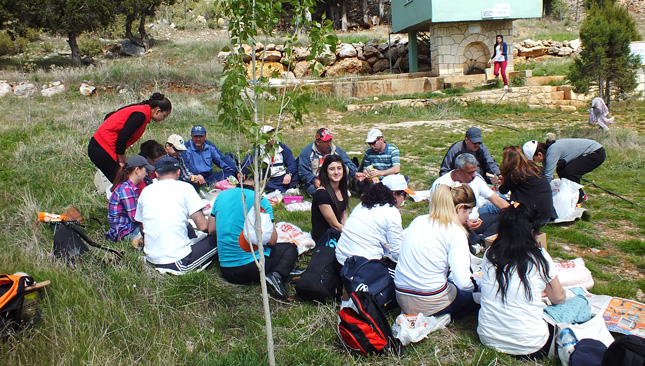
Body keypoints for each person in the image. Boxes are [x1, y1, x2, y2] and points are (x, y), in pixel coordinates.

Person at [477, 202, 566, 359]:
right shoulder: (539, 257)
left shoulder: (490, 254)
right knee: (579, 303)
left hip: (488, 338)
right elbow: (558, 298)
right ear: (532, 232)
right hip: (531, 346)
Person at [209, 166, 298, 300]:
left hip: (226, 269)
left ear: (242, 177)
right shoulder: (260, 200)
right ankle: (276, 276)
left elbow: (211, 229)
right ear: (263, 180)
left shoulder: (221, 195)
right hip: (251, 268)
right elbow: (272, 240)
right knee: (290, 248)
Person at [394, 184, 479, 321]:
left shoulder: (418, 221)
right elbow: (463, 283)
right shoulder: (455, 232)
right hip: (429, 299)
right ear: (460, 208)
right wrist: (481, 285)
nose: (468, 219)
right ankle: (441, 317)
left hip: (401, 295)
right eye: (468, 213)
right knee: (471, 297)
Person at [135, 156, 217, 275]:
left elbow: (142, 226)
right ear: (178, 172)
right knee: (220, 236)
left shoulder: (145, 191)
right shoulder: (185, 188)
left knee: (187, 225)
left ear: (157, 174)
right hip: (178, 263)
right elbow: (203, 226)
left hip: (151, 259)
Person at [88, 92, 172, 182]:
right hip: (102, 148)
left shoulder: (141, 110)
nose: (163, 119)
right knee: (122, 183)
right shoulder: (141, 115)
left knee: (122, 180)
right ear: (157, 111)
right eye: (164, 116)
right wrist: (121, 160)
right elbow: (122, 138)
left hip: (104, 148)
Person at [335, 174, 412, 266]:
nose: (404, 199)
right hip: (362, 267)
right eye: (404, 194)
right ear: (394, 194)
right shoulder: (392, 213)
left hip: (340, 259)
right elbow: (397, 253)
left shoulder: (363, 204)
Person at [432, 153, 509, 244]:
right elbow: (440, 216)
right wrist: (464, 223)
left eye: (475, 171)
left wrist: (513, 212)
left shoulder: (476, 180)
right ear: (458, 171)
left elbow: (495, 199)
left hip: (476, 219)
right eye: (470, 173)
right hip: (455, 225)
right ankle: (477, 241)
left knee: (505, 218)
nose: (474, 175)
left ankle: (481, 241)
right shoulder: (442, 185)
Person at [523, 138, 605, 203]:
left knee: (570, 172)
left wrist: (538, 194)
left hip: (595, 152)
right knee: (561, 170)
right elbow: (545, 172)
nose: (535, 162)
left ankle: (579, 197)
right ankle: (578, 194)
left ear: (539, 154)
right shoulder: (547, 154)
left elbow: (548, 176)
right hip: (588, 151)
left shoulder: (552, 152)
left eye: (534, 159)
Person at [298, 128, 365, 196]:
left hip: (334, 180)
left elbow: (348, 162)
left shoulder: (335, 149)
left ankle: (337, 189)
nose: (329, 144)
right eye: (326, 141)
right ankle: (336, 191)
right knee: (312, 189)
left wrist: (355, 173)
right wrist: (314, 180)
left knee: (344, 167)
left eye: (330, 140)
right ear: (318, 142)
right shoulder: (307, 152)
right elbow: (303, 171)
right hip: (317, 181)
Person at [498, 146, 556, 223]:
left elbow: (502, 190)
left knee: (498, 203)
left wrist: (498, 182)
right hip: (547, 213)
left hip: (533, 216)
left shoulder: (515, 173)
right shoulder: (534, 168)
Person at [105, 155, 154, 242]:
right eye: (145, 170)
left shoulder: (128, 186)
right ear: (137, 170)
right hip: (125, 232)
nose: (147, 174)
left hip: (126, 228)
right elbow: (135, 217)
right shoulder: (126, 189)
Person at [241, 126, 298, 193]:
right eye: (269, 135)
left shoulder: (281, 146)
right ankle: (281, 191)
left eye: (273, 134)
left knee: (298, 172)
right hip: (266, 179)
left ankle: (278, 190)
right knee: (263, 183)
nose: (272, 137)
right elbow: (247, 164)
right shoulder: (258, 149)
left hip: (282, 177)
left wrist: (289, 174)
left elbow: (292, 163)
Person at [311, 155, 349, 243]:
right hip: (325, 238)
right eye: (332, 169)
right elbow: (334, 225)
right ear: (326, 172)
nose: (336, 172)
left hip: (339, 232)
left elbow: (344, 216)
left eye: (339, 168)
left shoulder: (342, 189)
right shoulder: (322, 194)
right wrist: (351, 235)